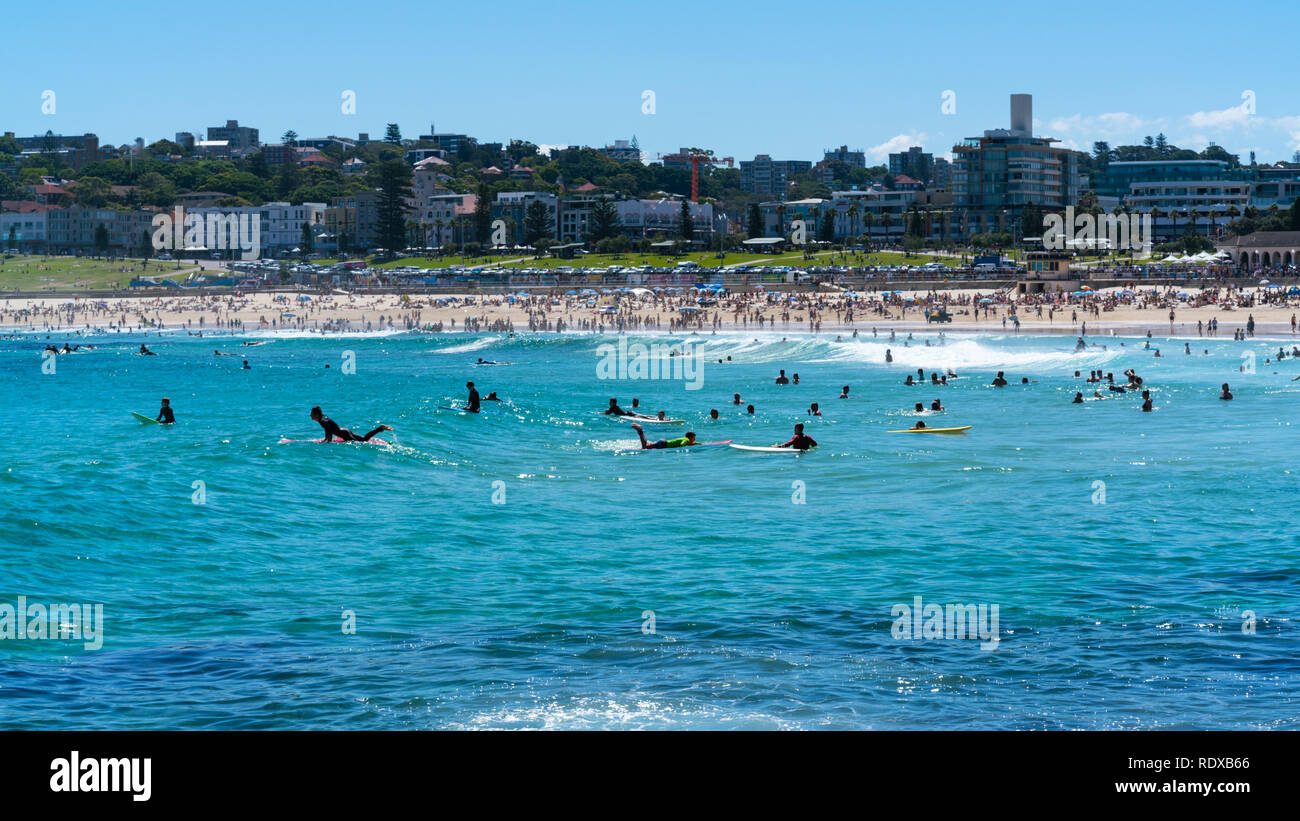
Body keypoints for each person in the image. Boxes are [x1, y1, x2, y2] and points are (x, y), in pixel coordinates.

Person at [310, 406, 391, 442]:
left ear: (316, 414)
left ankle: (380, 428)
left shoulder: (322, 421)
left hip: (345, 434)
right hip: (345, 430)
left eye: (311, 414)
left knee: (360, 444)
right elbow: (328, 429)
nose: (310, 415)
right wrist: (326, 439)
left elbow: (329, 430)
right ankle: (380, 428)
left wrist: (328, 442)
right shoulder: (324, 417)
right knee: (364, 439)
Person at [630, 422, 696, 450]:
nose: (694, 439)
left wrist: (700, 444)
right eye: (694, 438)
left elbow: (691, 443)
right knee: (644, 447)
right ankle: (640, 430)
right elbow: (683, 444)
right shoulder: (686, 440)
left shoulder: (685, 439)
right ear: (690, 437)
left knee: (646, 445)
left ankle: (640, 430)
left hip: (663, 442)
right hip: (663, 444)